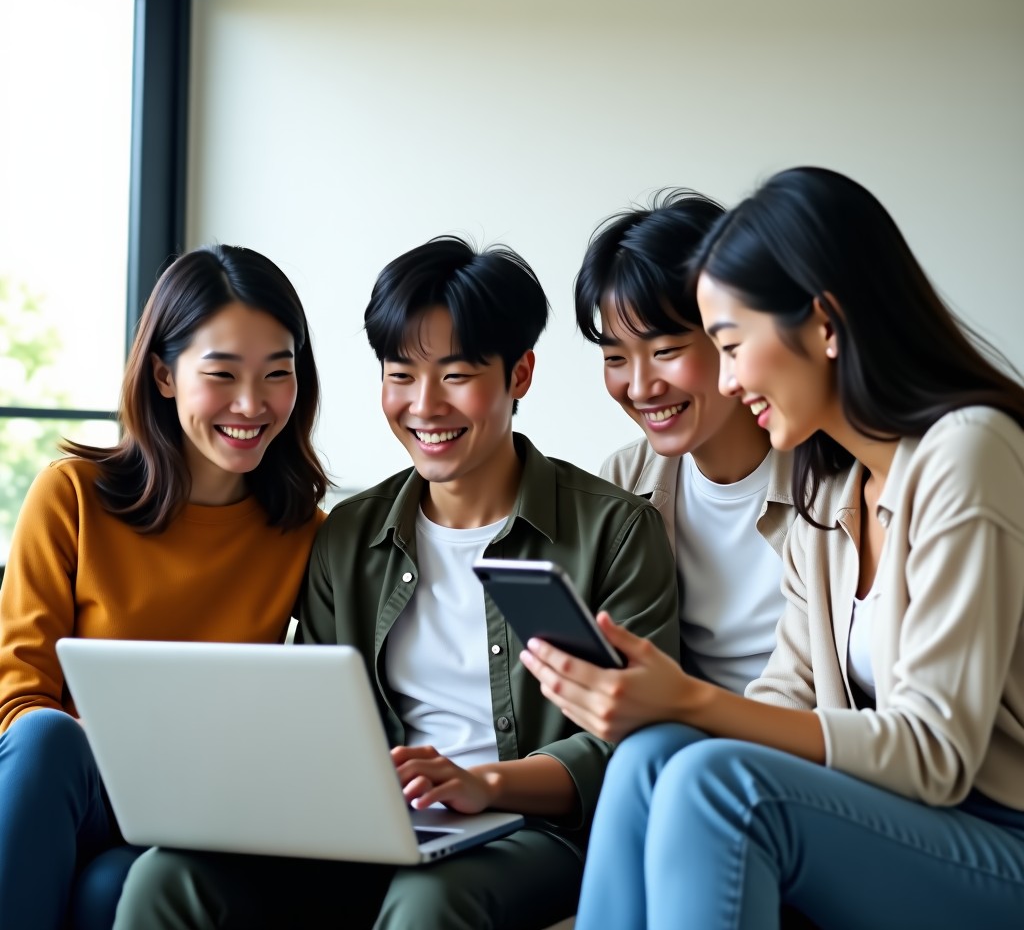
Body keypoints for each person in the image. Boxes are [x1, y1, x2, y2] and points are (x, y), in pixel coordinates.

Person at [112, 235, 679, 930]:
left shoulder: (614, 532)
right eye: (401, 374)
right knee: (169, 877)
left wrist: (483, 784)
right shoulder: (349, 536)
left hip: (533, 832)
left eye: (457, 374)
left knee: (430, 902)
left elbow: (629, 738)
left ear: (519, 375)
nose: (425, 405)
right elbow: (316, 718)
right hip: (371, 827)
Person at [522, 166, 1024, 928]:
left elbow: (934, 752)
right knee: (650, 759)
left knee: (717, 782)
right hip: (899, 819)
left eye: (728, 345)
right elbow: (785, 696)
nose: (726, 380)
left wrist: (688, 698)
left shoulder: (967, 452)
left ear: (824, 323)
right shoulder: (831, 487)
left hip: (997, 839)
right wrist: (659, 715)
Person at [0, 245, 329, 930]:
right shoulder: (72, 496)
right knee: (47, 738)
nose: (252, 403)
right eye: (222, 374)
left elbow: (315, 713)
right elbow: (18, 695)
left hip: (196, 812)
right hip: (71, 786)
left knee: (110, 895)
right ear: (164, 374)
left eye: (277, 373)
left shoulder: (306, 532)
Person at [573, 190, 793, 720]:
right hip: (683, 745)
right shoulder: (626, 479)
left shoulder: (832, 477)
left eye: (665, 351)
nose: (641, 386)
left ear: (732, 334)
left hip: (807, 751)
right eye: (615, 358)